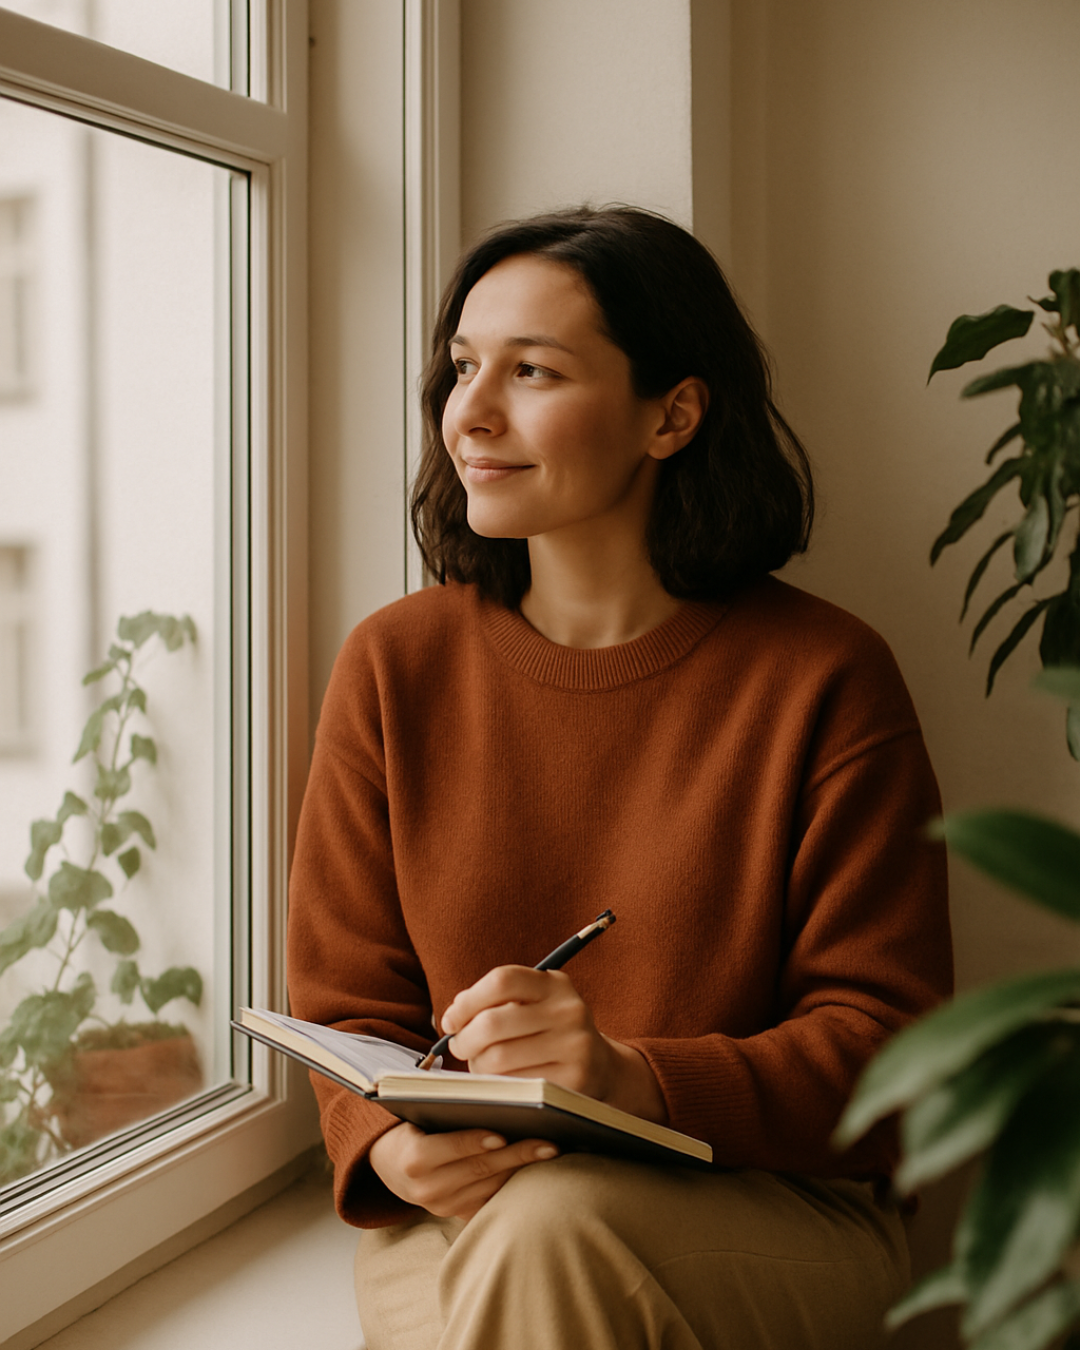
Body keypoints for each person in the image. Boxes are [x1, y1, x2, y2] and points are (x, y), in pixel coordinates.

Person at [287, 205, 952, 1350]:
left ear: (673, 414)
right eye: (462, 368)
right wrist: (388, 1144)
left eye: (532, 370)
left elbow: (893, 1052)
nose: (471, 416)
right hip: (460, 1211)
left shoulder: (826, 676)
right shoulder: (394, 664)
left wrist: (631, 1077)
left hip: (773, 1205)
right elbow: (347, 1006)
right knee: (524, 1235)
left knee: (546, 1233)